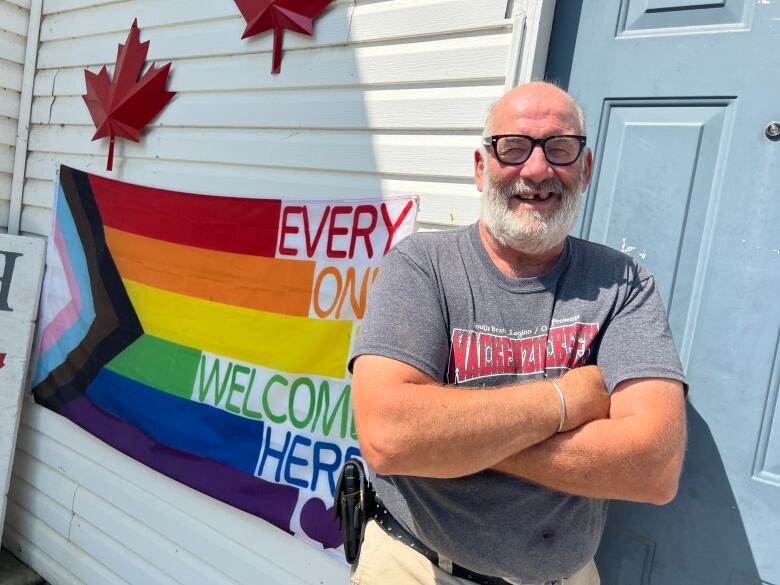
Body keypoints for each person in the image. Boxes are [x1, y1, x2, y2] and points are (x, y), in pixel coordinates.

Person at [348, 82, 687, 585]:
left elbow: (653, 469)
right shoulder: (422, 266)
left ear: (585, 168)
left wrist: (456, 439)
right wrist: (569, 398)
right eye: (513, 147)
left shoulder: (623, 283)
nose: (536, 169)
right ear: (481, 168)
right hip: (416, 565)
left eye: (560, 148)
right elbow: (390, 437)